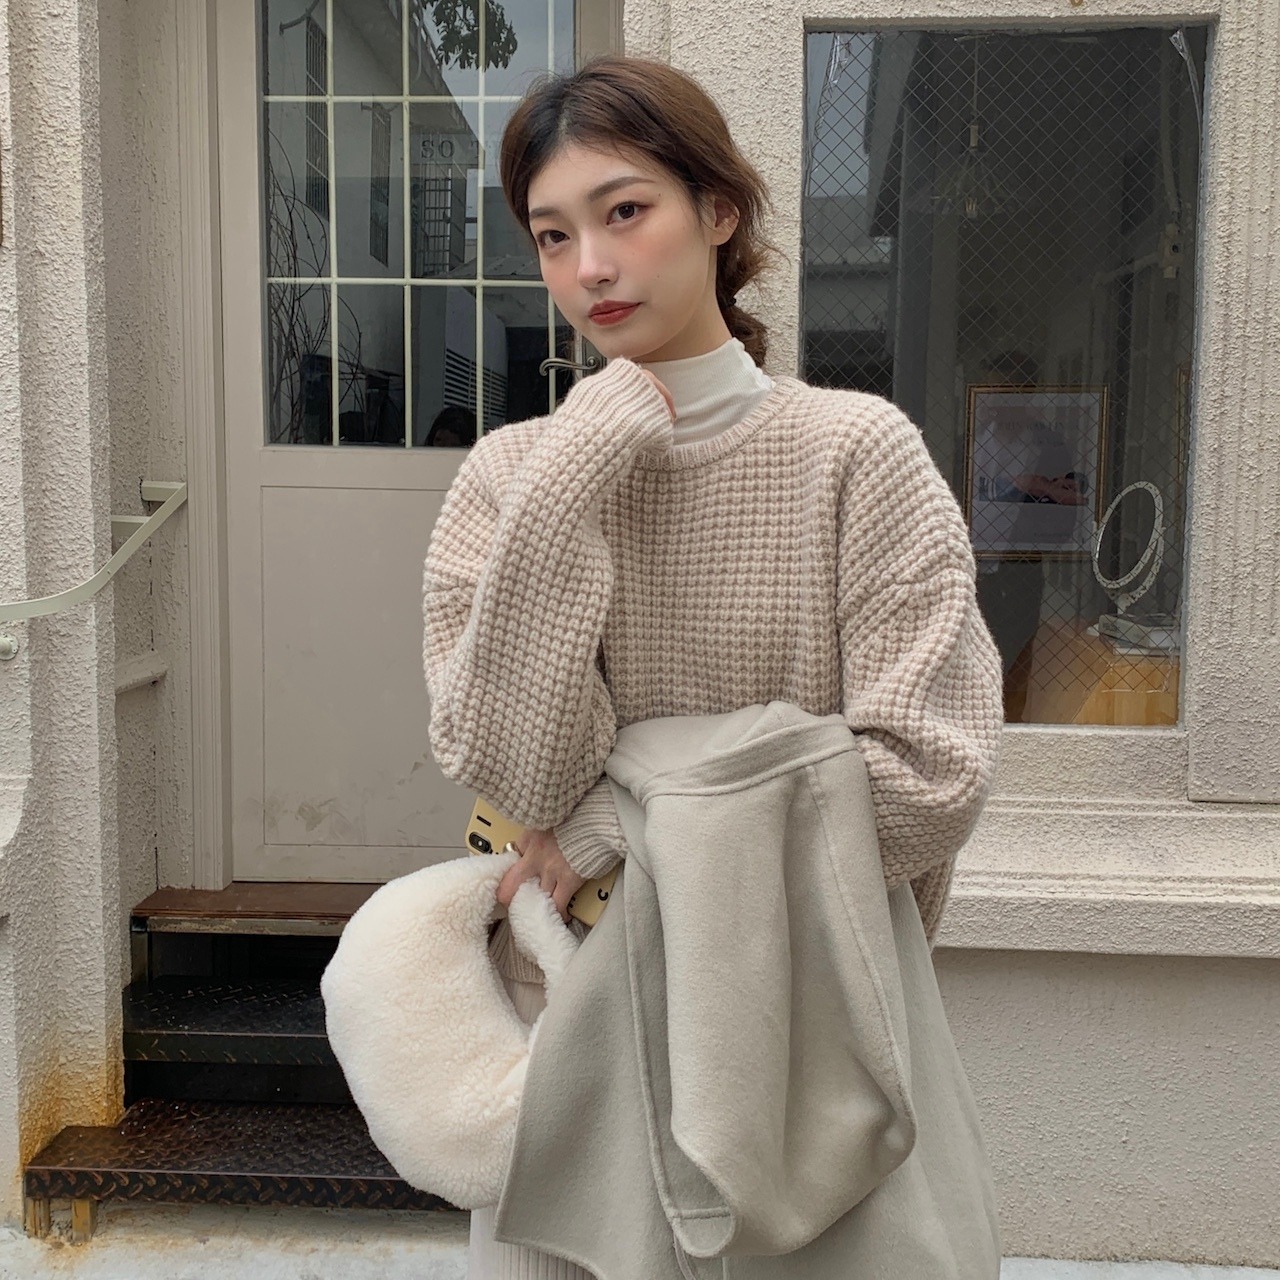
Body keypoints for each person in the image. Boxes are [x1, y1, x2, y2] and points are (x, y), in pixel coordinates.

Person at [420, 54, 1004, 1280]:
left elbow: (926, 778)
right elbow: (513, 769)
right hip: (576, 1021)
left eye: (625, 210)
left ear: (718, 211)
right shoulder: (512, 476)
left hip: (805, 1033)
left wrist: (615, 822)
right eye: (552, 234)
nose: (590, 265)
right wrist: (576, 468)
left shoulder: (854, 454)